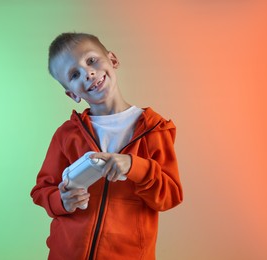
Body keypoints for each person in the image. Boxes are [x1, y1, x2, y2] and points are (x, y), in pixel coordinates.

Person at [30, 32, 183, 260]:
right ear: (72, 94)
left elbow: (170, 195)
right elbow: (42, 190)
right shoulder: (66, 135)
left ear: (112, 60)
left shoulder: (155, 129)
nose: (88, 73)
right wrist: (61, 201)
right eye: (74, 74)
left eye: (91, 60)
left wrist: (134, 166)